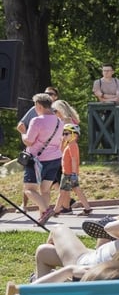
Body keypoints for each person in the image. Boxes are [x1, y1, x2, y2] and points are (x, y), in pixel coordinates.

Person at [21, 93, 64, 225]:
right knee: (45, 190)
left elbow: (28, 141)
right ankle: (42, 218)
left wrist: (23, 133)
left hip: (37, 160)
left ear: (39, 105)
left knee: (29, 189)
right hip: (55, 158)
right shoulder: (59, 121)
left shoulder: (37, 120)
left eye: (35, 105)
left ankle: (45, 210)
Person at [51, 123, 92, 217]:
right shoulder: (69, 145)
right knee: (77, 190)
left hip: (68, 174)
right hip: (69, 173)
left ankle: (56, 210)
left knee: (62, 192)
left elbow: (74, 160)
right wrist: (62, 141)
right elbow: (60, 151)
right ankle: (87, 208)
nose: (64, 135)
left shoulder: (73, 145)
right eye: (63, 133)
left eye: (67, 134)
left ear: (75, 135)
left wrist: (73, 173)